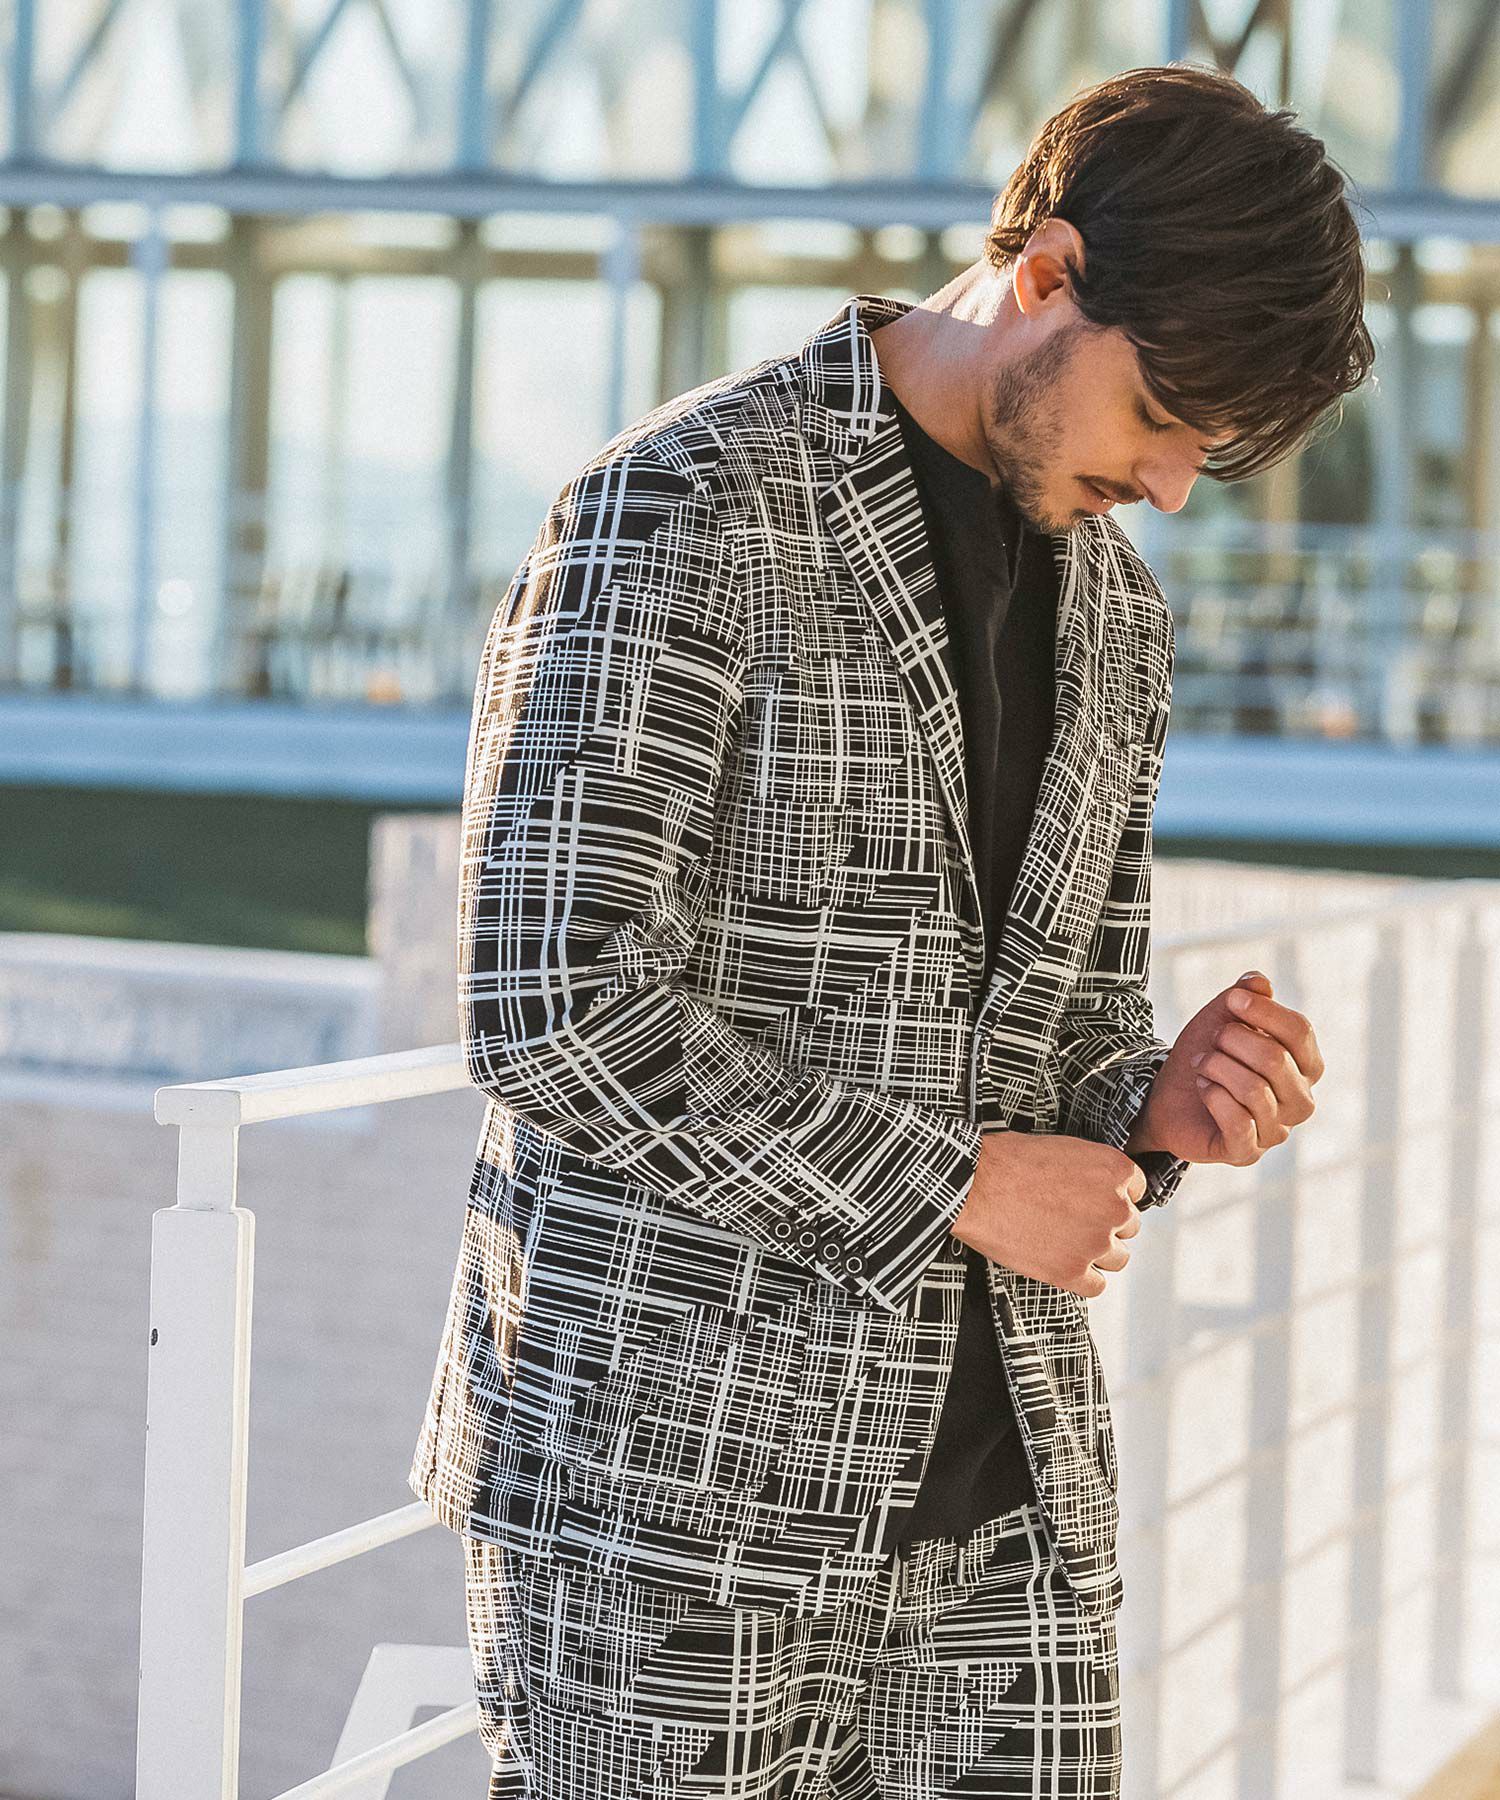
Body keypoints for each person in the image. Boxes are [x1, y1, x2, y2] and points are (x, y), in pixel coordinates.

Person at [410, 61, 1365, 1797]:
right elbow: (553, 997)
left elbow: (1067, 1035)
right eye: (1162, 416)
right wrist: (953, 1187)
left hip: (1007, 1522)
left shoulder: (1121, 618)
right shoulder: (685, 506)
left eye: (1207, 455)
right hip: (668, 1520)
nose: (1169, 487)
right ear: (1049, 270)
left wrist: (1158, 1111)